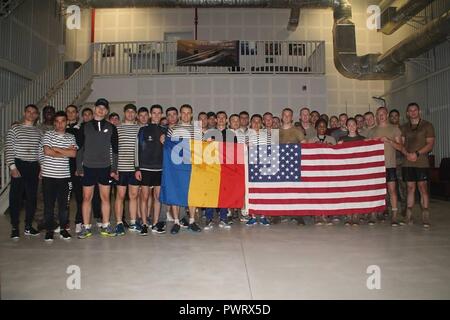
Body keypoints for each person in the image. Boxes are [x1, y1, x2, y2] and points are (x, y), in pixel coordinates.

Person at [76, 98, 118, 239]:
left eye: (104, 108)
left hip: (105, 168)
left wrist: (114, 168)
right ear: (94, 109)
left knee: (105, 198)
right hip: (88, 167)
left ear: (107, 111)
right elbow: (80, 149)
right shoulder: (84, 127)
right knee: (87, 198)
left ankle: (105, 225)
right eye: (98, 107)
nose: (101, 110)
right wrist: (79, 168)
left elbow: (115, 150)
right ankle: (86, 227)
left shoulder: (111, 127)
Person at [6, 104, 42, 239]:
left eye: (34, 113)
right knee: (16, 198)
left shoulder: (39, 132)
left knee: (32, 198)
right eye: (29, 112)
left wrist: (42, 167)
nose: (31, 114)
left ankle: (28, 227)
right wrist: (12, 167)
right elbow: (9, 148)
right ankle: (15, 227)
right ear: (24, 113)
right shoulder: (14, 129)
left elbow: (40, 152)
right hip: (19, 165)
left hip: (33, 166)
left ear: (37, 115)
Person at [41, 111, 77, 241]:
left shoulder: (71, 137)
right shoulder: (48, 134)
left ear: (67, 122)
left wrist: (56, 149)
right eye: (57, 121)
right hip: (49, 176)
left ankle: (63, 229)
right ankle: (49, 230)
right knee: (49, 205)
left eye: (63, 121)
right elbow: (47, 151)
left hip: (64, 177)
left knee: (64, 206)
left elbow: (73, 154)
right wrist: (65, 152)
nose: (60, 124)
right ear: (54, 123)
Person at [165, 104, 202, 234]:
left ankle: (192, 220)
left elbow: (200, 148)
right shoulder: (172, 129)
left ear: (191, 115)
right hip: (176, 166)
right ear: (180, 114)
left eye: (188, 113)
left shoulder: (197, 130)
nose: (186, 115)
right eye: (183, 113)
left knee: (192, 193)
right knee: (175, 192)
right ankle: (176, 221)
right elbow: (167, 148)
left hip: (191, 165)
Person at [400, 103, 435, 228]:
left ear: (419, 111)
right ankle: (409, 216)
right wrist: (407, 153)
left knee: (423, 188)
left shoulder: (427, 125)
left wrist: (417, 153)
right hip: (408, 161)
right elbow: (401, 144)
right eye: (410, 110)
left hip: (421, 161)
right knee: (410, 189)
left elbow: (430, 144)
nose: (413, 112)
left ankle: (425, 216)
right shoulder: (404, 127)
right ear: (407, 113)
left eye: (415, 110)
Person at [367, 107, 403, 226]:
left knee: (392, 190)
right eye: (378, 114)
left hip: (389, 165)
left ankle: (394, 216)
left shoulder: (394, 129)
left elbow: (400, 147)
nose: (381, 116)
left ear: (387, 115)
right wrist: (371, 141)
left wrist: (389, 141)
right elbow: (366, 146)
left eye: (383, 114)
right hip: (375, 166)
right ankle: (373, 213)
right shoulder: (373, 130)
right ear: (376, 116)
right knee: (374, 191)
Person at [135, 104, 167, 235]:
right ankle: (144, 224)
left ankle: (154, 224)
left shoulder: (165, 130)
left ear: (161, 115)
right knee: (144, 197)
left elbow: (170, 151)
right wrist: (137, 168)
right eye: (154, 113)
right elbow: (136, 149)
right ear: (150, 114)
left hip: (160, 169)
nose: (156, 115)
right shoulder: (143, 130)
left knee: (158, 198)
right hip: (145, 168)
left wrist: (166, 143)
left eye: (159, 113)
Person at [113, 104, 140, 236]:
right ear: (124, 113)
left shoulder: (139, 129)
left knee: (134, 196)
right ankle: (119, 223)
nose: (130, 114)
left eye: (132, 112)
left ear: (135, 114)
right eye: (128, 111)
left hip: (134, 169)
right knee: (120, 196)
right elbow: (112, 149)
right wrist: (114, 168)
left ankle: (133, 222)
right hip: (121, 168)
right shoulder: (117, 129)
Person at [203, 111, 233, 230]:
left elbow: (234, 152)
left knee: (224, 194)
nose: (220, 119)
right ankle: (209, 218)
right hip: (211, 168)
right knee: (211, 193)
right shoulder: (209, 133)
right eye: (218, 118)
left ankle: (223, 218)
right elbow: (204, 150)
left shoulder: (231, 134)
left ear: (226, 120)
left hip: (225, 168)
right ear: (215, 120)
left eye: (223, 118)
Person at [308, 118, 336, 226]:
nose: (322, 128)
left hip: (327, 171)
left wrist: (331, 147)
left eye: (324, 126)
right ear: (316, 128)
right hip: (315, 171)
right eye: (320, 126)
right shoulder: (311, 140)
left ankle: (325, 214)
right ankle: (317, 215)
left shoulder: (331, 139)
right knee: (316, 193)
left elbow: (337, 154)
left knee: (326, 193)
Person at [246, 114, 271, 227]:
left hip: (264, 166)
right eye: (254, 121)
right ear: (250, 123)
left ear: (262, 124)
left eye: (258, 121)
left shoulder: (267, 135)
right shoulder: (246, 135)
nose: (256, 123)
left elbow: (272, 151)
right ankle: (252, 216)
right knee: (251, 191)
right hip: (249, 166)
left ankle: (263, 215)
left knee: (264, 191)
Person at [65, 105, 83, 234]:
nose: (71, 114)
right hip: (62, 168)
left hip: (77, 168)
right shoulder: (60, 129)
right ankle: (64, 222)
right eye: (68, 112)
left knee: (79, 197)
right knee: (64, 197)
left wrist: (79, 166)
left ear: (77, 114)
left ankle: (79, 221)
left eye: (73, 112)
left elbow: (82, 149)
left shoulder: (82, 129)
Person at [389, 108, 407, 214]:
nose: (394, 118)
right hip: (390, 161)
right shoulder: (388, 128)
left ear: (399, 117)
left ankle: (404, 208)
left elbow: (404, 145)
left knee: (402, 186)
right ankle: (389, 209)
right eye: (392, 116)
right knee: (390, 187)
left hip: (401, 161)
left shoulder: (403, 129)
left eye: (396, 116)